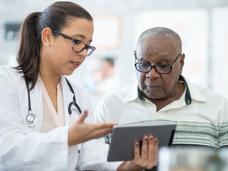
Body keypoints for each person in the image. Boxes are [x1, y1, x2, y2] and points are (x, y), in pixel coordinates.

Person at [0, 2, 158, 171]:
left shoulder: (77, 95)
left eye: (87, 45)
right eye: (77, 41)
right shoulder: (7, 81)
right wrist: (67, 137)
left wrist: (128, 165)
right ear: (47, 37)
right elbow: (6, 148)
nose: (83, 52)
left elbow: (90, 154)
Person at [94, 27, 228, 169]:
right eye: (144, 64)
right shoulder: (110, 106)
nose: (152, 75)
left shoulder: (217, 106)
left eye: (163, 66)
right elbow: (91, 165)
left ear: (181, 62)